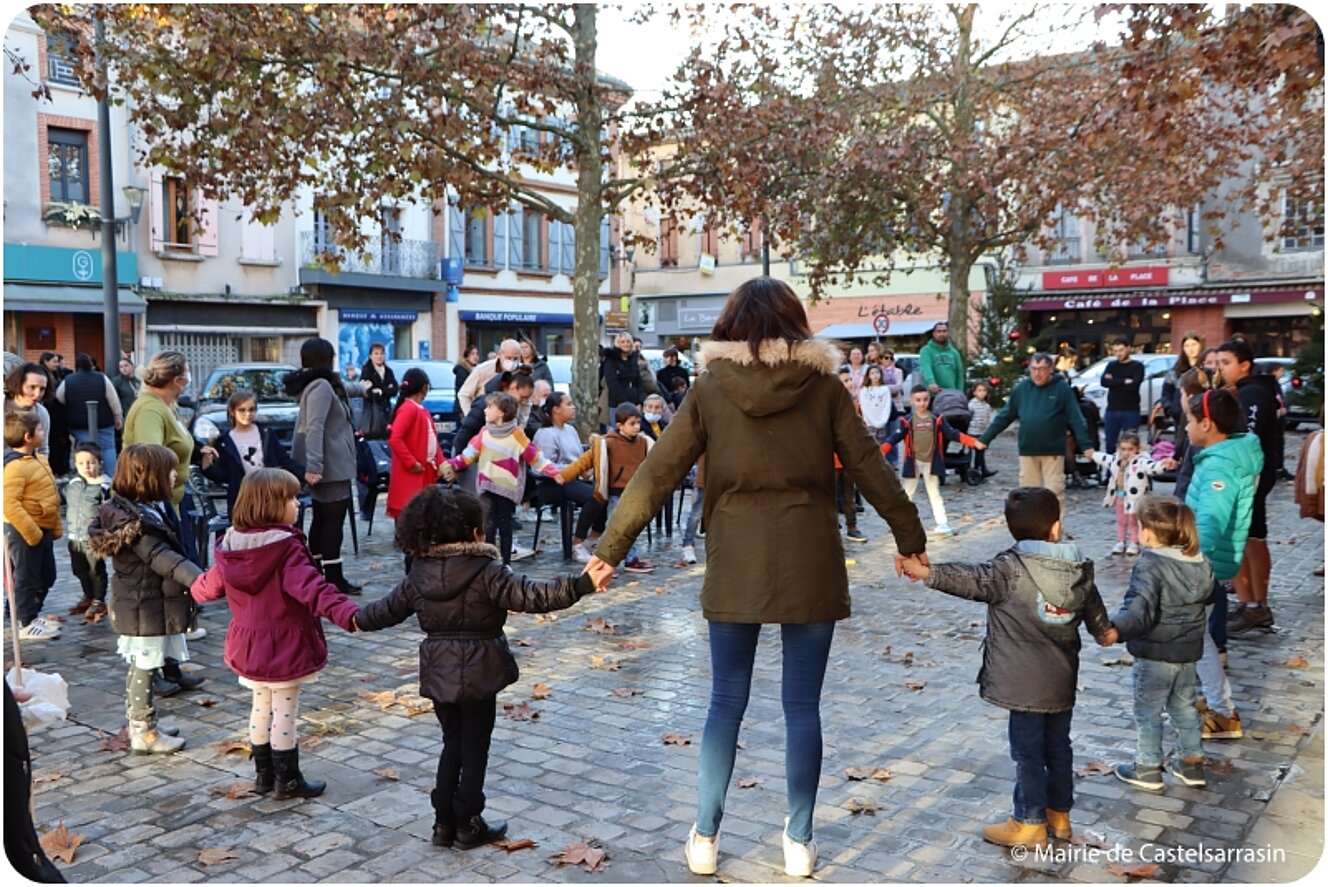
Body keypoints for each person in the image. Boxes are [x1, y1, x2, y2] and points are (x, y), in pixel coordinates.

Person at [582, 277, 928, 878]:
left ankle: (705, 837)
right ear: (795, 323)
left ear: (730, 325)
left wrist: (612, 547)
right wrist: (910, 541)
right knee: (802, 706)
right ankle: (798, 841)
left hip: (735, 556)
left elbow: (658, 472)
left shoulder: (711, 387)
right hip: (809, 555)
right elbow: (869, 466)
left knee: (725, 702)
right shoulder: (824, 387)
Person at [353, 486, 595, 848]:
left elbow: (382, 611)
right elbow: (534, 596)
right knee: (474, 746)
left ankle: (443, 824)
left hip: (439, 672)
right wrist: (581, 585)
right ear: (475, 533)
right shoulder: (487, 570)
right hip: (481, 671)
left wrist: (351, 617)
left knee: (452, 742)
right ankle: (468, 822)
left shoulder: (418, 573)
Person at [898, 487, 1110, 849]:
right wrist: (1114, 630)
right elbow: (1100, 625)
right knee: (1059, 747)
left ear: (1012, 530)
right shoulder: (1078, 570)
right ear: (1056, 528)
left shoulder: (1009, 569)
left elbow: (970, 579)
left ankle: (1029, 822)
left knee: (1028, 753)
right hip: (1061, 681)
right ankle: (1059, 816)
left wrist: (926, 572)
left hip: (1022, 684)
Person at [190, 468, 361, 800]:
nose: (298, 504)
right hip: (285, 645)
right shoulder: (285, 549)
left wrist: (191, 586)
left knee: (260, 707)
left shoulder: (231, 546)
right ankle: (288, 780)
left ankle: (264, 776)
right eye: (291, 498)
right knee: (284, 712)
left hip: (248, 646)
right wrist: (350, 615)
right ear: (270, 505)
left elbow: (206, 588)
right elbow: (314, 589)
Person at [87, 443, 204, 754]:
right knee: (144, 666)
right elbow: (163, 558)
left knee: (146, 666)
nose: (174, 475)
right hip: (144, 606)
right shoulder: (137, 524)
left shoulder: (144, 510)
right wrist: (200, 580)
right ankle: (144, 731)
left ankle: (143, 722)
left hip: (149, 603)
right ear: (149, 477)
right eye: (169, 471)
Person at [1102, 496, 1215, 792]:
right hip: (1187, 654)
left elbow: (1139, 608)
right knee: (1184, 708)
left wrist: (1116, 629)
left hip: (1155, 653)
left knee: (1148, 712)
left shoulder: (1151, 564)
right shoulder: (1200, 561)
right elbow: (1212, 594)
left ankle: (1148, 767)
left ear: (1149, 532)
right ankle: (1191, 763)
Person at [1182, 388, 1261, 742]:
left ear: (1207, 424)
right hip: (1208, 563)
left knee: (1193, 637)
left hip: (1203, 563)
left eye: (1189, 420)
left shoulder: (1219, 466)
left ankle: (1222, 711)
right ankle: (1214, 703)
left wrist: (1188, 559)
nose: (1186, 427)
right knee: (1196, 636)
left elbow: (1210, 522)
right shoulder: (1222, 458)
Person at [442, 392, 562, 565]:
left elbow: (535, 456)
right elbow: (468, 455)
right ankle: (489, 562)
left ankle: (505, 564)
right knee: (487, 525)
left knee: (505, 525)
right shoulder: (484, 433)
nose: (485, 410)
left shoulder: (516, 434)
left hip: (506, 488)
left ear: (502, 412)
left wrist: (554, 472)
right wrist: (451, 464)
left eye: (490, 407)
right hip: (486, 485)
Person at [977, 353, 1096, 527]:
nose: (1037, 373)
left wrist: (1086, 445)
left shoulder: (1062, 389)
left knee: (1054, 492)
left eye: (1042, 369)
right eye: (1034, 369)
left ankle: (1054, 530)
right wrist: (986, 438)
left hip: (1053, 451)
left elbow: (1076, 418)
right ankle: (1032, 531)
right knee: (1027, 495)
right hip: (1028, 450)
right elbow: (1005, 416)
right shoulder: (1022, 388)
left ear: (1050, 369)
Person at [123, 350, 216, 568]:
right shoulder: (150, 410)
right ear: (178, 380)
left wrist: (198, 451)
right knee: (179, 568)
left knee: (189, 564)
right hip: (158, 504)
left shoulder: (167, 404)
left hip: (175, 497)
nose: (189, 378)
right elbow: (151, 457)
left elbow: (176, 440)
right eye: (187, 372)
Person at [1215, 340, 1282, 635]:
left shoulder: (1252, 393)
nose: (1220, 368)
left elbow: (1248, 436)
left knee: (1244, 539)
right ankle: (1253, 605)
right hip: (1250, 474)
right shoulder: (1245, 391)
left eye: (1226, 362)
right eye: (1218, 363)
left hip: (1248, 476)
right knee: (1250, 537)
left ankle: (1253, 605)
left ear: (1245, 365)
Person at [286, 338, 361, 596]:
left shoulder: (316, 383)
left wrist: (363, 388)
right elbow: (315, 427)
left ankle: (317, 573)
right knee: (332, 523)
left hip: (328, 464)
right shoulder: (321, 386)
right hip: (330, 466)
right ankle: (333, 578)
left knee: (321, 519)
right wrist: (315, 466)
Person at [558, 402, 659, 572]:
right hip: (615, 494)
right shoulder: (607, 443)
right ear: (620, 425)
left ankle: (629, 559)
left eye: (638, 423)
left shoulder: (644, 443)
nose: (637, 427)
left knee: (631, 527)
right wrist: (564, 475)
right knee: (616, 528)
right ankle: (609, 561)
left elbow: (659, 462)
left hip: (635, 493)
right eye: (632, 424)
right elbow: (584, 461)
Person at [881, 386, 986, 537]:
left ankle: (942, 524)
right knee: (906, 495)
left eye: (925, 400)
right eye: (918, 400)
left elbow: (953, 434)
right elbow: (894, 438)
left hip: (931, 463)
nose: (922, 403)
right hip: (913, 463)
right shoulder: (907, 421)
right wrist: (881, 451)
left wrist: (973, 442)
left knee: (935, 494)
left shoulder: (937, 419)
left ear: (929, 400)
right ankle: (898, 523)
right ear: (912, 401)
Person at [3, 411, 62, 640]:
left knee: (47, 575)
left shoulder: (39, 459)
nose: (43, 432)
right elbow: (9, 503)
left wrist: (54, 526)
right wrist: (32, 533)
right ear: (28, 437)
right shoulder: (14, 467)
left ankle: (30, 614)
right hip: (25, 532)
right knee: (27, 578)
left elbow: (51, 495)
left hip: (42, 528)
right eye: (39, 430)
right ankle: (24, 622)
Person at [200, 391, 303, 521]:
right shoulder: (224, 441)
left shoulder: (266, 434)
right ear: (232, 411)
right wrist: (207, 468)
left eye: (251, 409)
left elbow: (284, 460)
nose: (247, 414)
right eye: (242, 410)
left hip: (270, 494)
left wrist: (305, 474)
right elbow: (224, 475)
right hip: (242, 498)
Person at [532, 392, 600, 563]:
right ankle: (578, 543)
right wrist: (574, 469)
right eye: (569, 404)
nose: (573, 407)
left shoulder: (571, 430)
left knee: (604, 491)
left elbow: (579, 457)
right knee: (594, 496)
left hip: (574, 479)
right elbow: (543, 466)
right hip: (551, 484)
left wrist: (585, 468)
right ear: (556, 409)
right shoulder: (546, 433)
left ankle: (593, 538)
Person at [1091, 432, 1168, 556]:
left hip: (1135, 498)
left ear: (1137, 449)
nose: (1126, 452)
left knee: (1134, 521)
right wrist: (1093, 455)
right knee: (1121, 520)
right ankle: (1120, 541)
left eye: (1130, 449)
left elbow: (1152, 467)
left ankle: (1134, 542)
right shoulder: (1116, 460)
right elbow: (1105, 458)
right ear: (1119, 448)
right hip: (1120, 495)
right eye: (1123, 449)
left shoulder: (1141, 461)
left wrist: (1163, 465)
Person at [386, 367, 444, 521]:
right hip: (413, 473)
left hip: (425, 471)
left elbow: (433, 440)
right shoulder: (408, 409)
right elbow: (394, 438)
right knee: (411, 515)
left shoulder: (419, 409)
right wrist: (411, 463)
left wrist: (441, 463)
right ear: (424, 388)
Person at [64, 441, 113, 620]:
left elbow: (109, 511)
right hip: (74, 536)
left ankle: (98, 600)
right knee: (79, 569)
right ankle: (88, 595)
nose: (86, 467)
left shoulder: (104, 486)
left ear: (100, 463)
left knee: (96, 570)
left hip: (93, 538)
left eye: (91, 462)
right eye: (81, 463)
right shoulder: (73, 484)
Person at [56, 353, 124, 477]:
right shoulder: (102, 378)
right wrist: (118, 416)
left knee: (86, 448)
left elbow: (59, 397)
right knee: (108, 448)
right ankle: (110, 476)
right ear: (91, 365)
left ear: (76, 365)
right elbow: (113, 400)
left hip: (78, 422)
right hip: (103, 420)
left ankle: (87, 476)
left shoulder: (68, 380)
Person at [1100, 339, 1146, 455]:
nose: (1118, 354)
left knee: (1130, 444)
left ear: (1128, 348)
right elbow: (1104, 382)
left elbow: (1134, 386)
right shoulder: (1111, 365)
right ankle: (1112, 466)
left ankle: (1130, 466)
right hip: (1112, 409)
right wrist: (1124, 381)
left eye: (1121, 350)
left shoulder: (1137, 366)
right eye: (1115, 351)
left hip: (1130, 410)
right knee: (1110, 445)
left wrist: (1114, 382)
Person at [457, 339, 521, 415]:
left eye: (515, 358)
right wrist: (471, 416)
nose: (512, 362)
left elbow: (526, 401)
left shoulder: (521, 371)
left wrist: (522, 421)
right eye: (508, 358)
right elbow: (464, 395)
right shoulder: (483, 370)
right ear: (500, 354)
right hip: (484, 416)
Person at [4, 362, 51, 458]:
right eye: (32, 387)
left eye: (42, 389)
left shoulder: (42, 413)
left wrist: (41, 465)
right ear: (18, 384)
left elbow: (43, 449)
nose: (37, 394)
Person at [39, 352, 72, 477]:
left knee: (60, 442)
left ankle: (61, 468)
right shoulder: (43, 376)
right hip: (52, 412)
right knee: (53, 441)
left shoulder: (56, 374)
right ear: (45, 362)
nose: (57, 364)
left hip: (58, 412)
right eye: (54, 361)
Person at [358, 342, 399, 440]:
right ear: (370, 356)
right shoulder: (367, 370)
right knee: (373, 438)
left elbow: (394, 389)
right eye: (376, 354)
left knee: (387, 437)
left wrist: (381, 391)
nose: (379, 356)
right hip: (372, 412)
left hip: (386, 410)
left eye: (381, 354)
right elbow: (366, 392)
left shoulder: (388, 371)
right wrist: (385, 390)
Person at [600, 332, 645, 410]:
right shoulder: (611, 360)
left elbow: (638, 382)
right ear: (617, 344)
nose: (626, 344)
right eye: (622, 342)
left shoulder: (633, 360)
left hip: (634, 402)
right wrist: (625, 402)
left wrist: (640, 401)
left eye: (628, 341)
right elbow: (613, 384)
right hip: (617, 404)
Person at [918, 322, 965, 395]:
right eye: (939, 331)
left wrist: (960, 393)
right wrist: (931, 382)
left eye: (944, 331)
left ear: (948, 333)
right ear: (934, 334)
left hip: (952, 394)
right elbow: (926, 367)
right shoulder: (926, 351)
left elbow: (959, 375)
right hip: (933, 394)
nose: (942, 334)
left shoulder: (954, 353)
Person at [858, 365, 894, 446]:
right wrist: (873, 422)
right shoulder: (864, 390)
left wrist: (882, 422)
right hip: (869, 424)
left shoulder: (885, 389)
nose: (875, 375)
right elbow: (864, 408)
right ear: (868, 376)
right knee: (870, 446)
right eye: (872, 373)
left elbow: (887, 407)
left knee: (881, 445)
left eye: (877, 372)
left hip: (882, 423)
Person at [968, 382, 997, 478]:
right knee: (978, 451)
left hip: (983, 432)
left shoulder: (987, 406)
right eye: (979, 390)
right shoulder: (971, 405)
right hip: (973, 432)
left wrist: (989, 432)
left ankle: (979, 469)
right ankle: (979, 470)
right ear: (974, 392)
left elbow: (987, 420)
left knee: (981, 452)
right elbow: (968, 418)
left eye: (984, 390)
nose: (982, 393)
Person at [112, 357, 141, 451]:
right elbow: (113, 399)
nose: (123, 368)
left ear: (132, 366)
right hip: (125, 416)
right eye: (121, 367)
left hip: (138, 415)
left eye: (126, 365)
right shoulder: (117, 381)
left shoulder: (137, 381)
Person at [452, 345, 481, 424]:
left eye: (476, 354)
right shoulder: (462, 371)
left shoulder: (474, 370)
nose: (475, 356)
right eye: (472, 354)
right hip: (462, 408)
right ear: (467, 356)